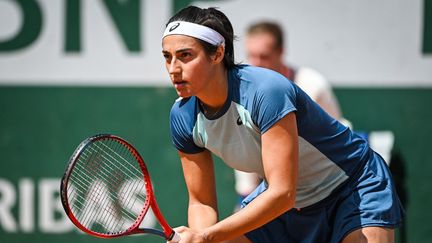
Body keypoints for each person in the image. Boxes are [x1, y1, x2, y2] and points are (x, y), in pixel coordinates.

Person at [161, 5, 403, 243]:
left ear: (217, 53)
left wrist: (206, 236)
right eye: (167, 57)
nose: (173, 69)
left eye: (185, 55)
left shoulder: (266, 91)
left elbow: (282, 194)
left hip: (351, 186)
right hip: (288, 202)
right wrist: (201, 240)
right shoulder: (183, 117)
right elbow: (201, 202)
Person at [233, 21, 347, 210]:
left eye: (264, 56)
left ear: (280, 53)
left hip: (324, 186)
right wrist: (246, 197)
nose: (256, 64)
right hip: (271, 190)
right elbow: (244, 146)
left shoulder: (312, 84)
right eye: (251, 56)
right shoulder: (242, 91)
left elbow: (338, 136)